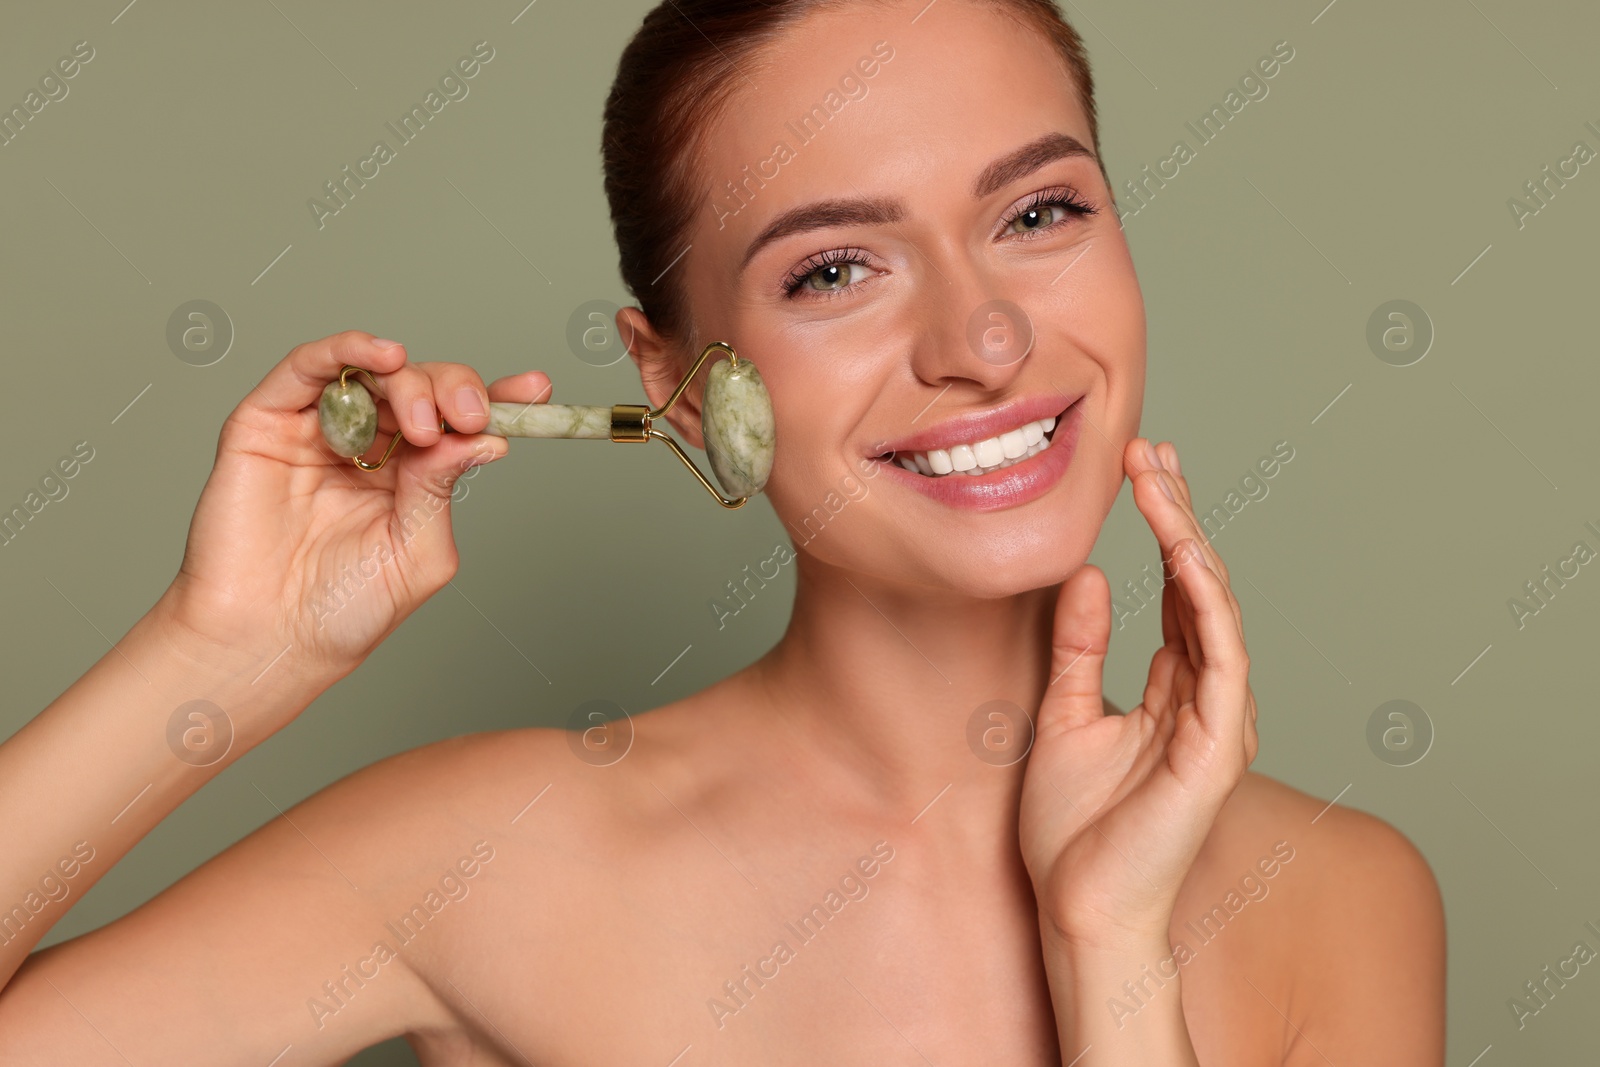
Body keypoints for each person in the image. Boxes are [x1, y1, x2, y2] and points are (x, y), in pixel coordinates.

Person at [0, 0, 1445, 1062]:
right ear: (678, 385)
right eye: (833, 268)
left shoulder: (1339, 899)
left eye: (1039, 210)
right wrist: (227, 650)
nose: (984, 336)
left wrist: (1110, 953)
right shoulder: (486, 856)